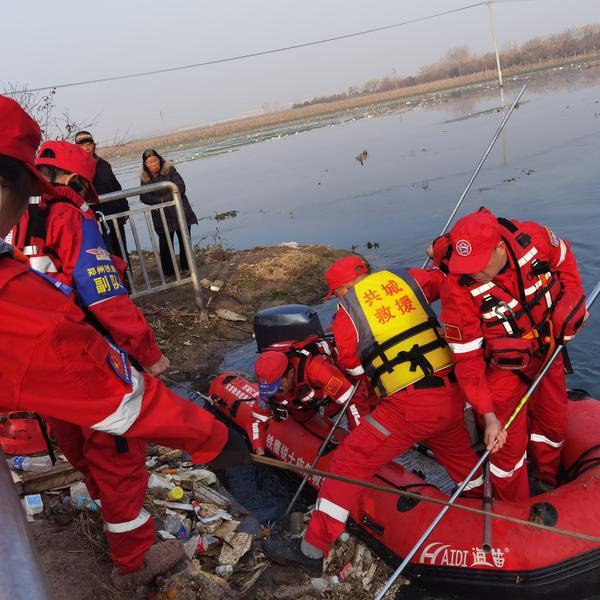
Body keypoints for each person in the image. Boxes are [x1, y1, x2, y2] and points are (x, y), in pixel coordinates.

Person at [0, 96, 249, 588]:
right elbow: (105, 299)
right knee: (119, 463)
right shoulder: (69, 218)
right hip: (75, 355)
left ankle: (110, 519)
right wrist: (152, 359)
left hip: (43, 378)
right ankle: (133, 562)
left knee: (81, 449)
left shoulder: (22, 231)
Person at [263, 256, 498, 573]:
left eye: (338, 293)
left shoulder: (347, 313)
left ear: (345, 287)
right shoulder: (408, 278)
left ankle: (312, 550)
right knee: (458, 457)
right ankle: (485, 512)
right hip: (452, 395)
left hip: (410, 406)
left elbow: (354, 367)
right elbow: (449, 285)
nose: (340, 298)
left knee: (347, 463)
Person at [439, 207, 587, 500]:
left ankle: (546, 482)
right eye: (467, 265)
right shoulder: (457, 289)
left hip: (547, 352)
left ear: (499, 248)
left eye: (480, 264)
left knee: (554, 427)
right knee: (507, 452)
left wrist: (572, 305)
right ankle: (515, 508)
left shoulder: (534, 238)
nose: (473, 273)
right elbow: (467, 360)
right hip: (500, 373)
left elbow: (566, 265)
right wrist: (488, 414)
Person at [251, 336, 373, 454]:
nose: (274, 394)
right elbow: (257, 417)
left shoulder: (317, 369)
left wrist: (361, 440)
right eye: (270, 390)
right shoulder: (269, 386)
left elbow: (352, 400)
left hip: (345, 390)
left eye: (278, 389)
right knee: (299, 414)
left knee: (362, 424)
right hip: (309, 404)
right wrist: (258, 447)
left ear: (291, 373)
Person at [140, 149, 197, 276]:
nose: (153, 164)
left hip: (180, 211)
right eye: (149, 162)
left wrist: (164, 199)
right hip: (161, 216)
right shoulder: (145, 178)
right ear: (145, 164)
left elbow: (180, 187)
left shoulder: (170, 170)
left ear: (159, 159)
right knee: (165, 243)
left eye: (154, 160)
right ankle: (168, 271)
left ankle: (186, 267)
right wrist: (160, 200)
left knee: (184, 240)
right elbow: (144, 197)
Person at [74, 130, 130, 262]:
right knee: (104, 257)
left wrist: (124, 208)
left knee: (121, 253)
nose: (87, 147)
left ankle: (128, 281)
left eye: (89, 143)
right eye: (82, 145)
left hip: (114, 216)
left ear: (94, 145)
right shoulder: (75, 170)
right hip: (94, 221)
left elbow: (116, 187)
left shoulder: (104, 165)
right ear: (76, 148)